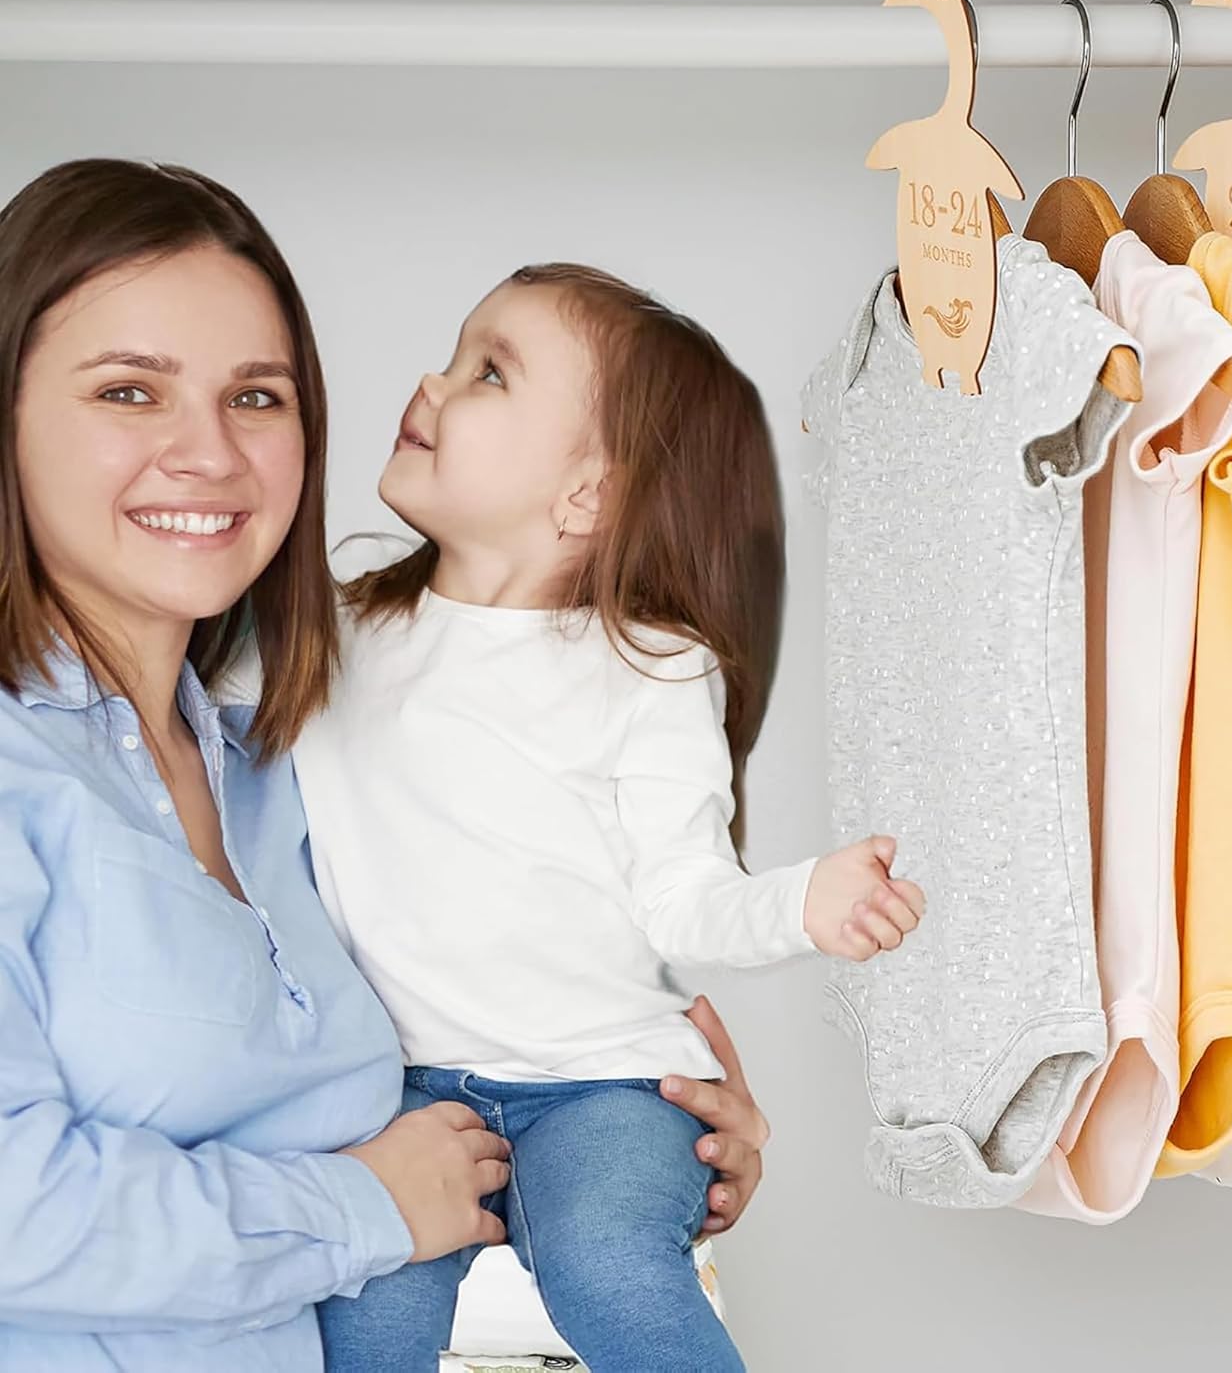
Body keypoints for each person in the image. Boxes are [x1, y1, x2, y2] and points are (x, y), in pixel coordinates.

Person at [0, 159, 777, 1373]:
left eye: (256, 398)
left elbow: (490, 980)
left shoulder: (291, 769)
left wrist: (634, 1124)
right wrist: (367, 1207)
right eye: (129, 391)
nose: (206, 453)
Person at [297, 261, 925, 1373]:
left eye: (488, 372)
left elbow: (684, 907)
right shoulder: (334, 639)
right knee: (364, 1319)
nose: (432, 383)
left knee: (606, 1263)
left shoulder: (651, 669)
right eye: (454, 353)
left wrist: (805, 902)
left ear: (586, 494)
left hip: (606, 1086)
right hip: (397, 1088)